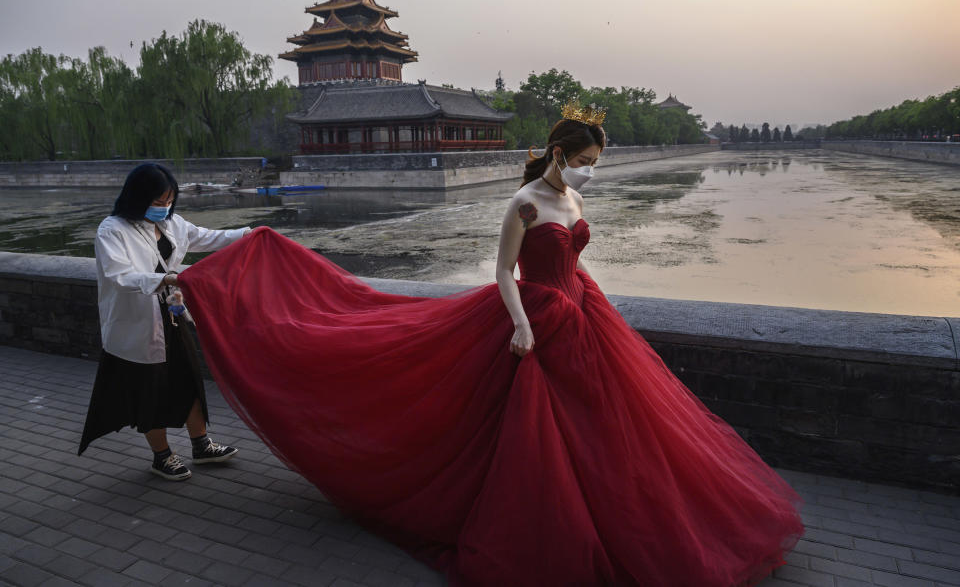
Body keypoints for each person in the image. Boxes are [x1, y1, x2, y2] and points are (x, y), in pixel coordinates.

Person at [177, 104, 804, 586]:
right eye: (587, 158)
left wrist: (585, 297)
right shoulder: (524, 203)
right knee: (529, 430)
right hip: (534, 318)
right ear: (561, 153)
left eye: (598, 161)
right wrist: (522, 324)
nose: (593, 169)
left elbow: (573, 254)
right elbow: (504, 272)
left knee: (605, 425)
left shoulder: (574, 196)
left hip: (581, 313)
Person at [79, 163, 251, 481]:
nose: (165, 207)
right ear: (137, 197)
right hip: (137, 320)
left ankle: (201, 445)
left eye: (169, 200)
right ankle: (162, 456)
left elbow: (209, 237)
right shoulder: (113, 230)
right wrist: (167, 278)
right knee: (150, 389)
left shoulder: (173, 224)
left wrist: (249, 235)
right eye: (158, 201)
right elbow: (121, 275)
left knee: (188, 378)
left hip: (171, 316)